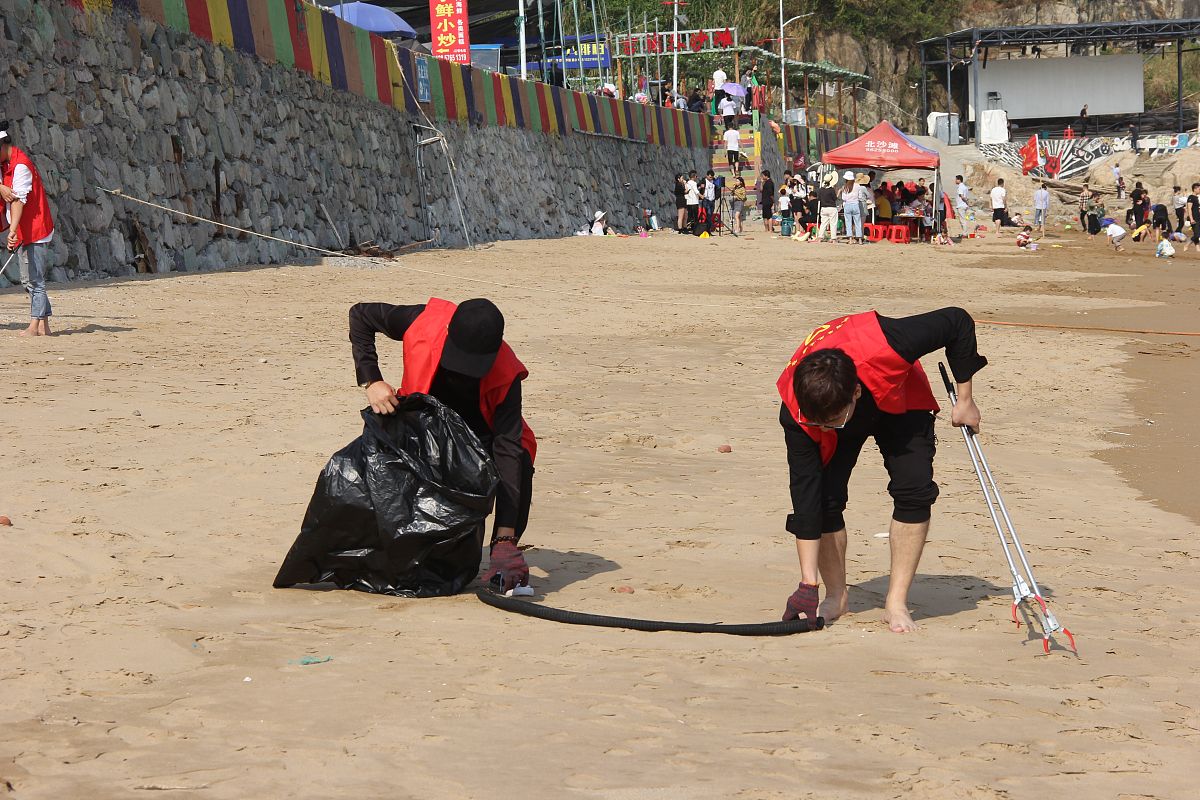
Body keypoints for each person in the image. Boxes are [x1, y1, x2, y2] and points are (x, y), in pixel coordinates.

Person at [776, 308, 986, 630]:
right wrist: (808, 585)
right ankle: (836, 596)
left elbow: (957, 321)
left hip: (898, 393)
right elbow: (805, 496)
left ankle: (896, 602)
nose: (823, 428)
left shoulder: (891, 343)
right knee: (824, 498)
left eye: (832, 423)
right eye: (817, 422)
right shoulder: (799, 411)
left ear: (855, 395)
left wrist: (965, 399)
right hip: (833, 405)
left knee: (914, 489)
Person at [349, 298, 537, 591]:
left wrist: (505, 538)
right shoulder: (421, 321)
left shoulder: (506, 373)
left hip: (480, 439)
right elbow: (360, 315)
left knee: (521, 457)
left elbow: (507, 449)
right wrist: (371, 379)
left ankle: (501, 550)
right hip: (422, 428)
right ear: (448, 332)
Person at [0, 125, 55, 336]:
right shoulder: (5, 163)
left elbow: (17, 201)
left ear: (3, 146)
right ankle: (45, 326)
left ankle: (34, 324)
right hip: (24, 228)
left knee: (34, 279)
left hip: (36, 228)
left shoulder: (21, 165)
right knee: (29, 278)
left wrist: (12, 231)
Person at [840, 171, 864, 243]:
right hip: (856, 205)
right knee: (858, 222)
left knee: (848, 222)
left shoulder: (844, 187)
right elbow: (860, 196)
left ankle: (850, 239)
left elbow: (843, 198)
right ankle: (859, 239)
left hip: (847, 205)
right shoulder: (858, 186)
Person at [816, 171, 839, 242]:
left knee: (823, 223)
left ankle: (820, 237)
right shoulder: (831, 190)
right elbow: (835, 199)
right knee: (833, 223)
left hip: (823, 208)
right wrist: (838, 192)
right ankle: (833, 238)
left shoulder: (820, 190)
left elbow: (819, 199)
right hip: (832, 207)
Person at [1186, 182, 1200, 253]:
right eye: (1199, 189)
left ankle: (1198, 249)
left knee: (1196, 234)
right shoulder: (1191, 197)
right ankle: (1187, 244)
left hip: (1198, 217)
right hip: (1194, 218)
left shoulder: (1196, 198)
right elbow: (1189, 208)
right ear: (1195, 189)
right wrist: (1191, 219)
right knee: (1197, 234)